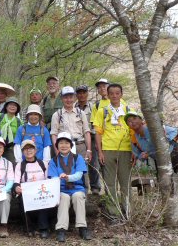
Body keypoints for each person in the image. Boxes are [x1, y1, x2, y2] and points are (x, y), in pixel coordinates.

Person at [93, 83, 132, 219]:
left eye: (117, 93)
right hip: (108, 149)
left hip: (126, 149)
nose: (114, 96)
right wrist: (100, 152)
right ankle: (114, 214)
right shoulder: (102, 111)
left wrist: (134, 150)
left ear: (121, 94)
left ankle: (128, 212)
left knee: (125, 182)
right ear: (108, 95)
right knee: (109, 183)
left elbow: (134, 129)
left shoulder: (128, 109)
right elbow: (98, 132)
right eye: (112, 93)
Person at [48, 132, 91, 242]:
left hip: (77, 187)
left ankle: (82, 227)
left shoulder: (78, 158)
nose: (64, 145)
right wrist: (59, 178)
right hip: (61, 189)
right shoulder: (53, 161)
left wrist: (68, 177)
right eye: (61, 143)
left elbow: (79, 175)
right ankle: (61, 229)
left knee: (78, 197)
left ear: (71, 145)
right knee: (64, 198)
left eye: (66, 143)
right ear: (57, 146)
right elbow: (52, 178)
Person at [50, 86, 92, 184]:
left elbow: (86, 132)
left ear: (74, 98)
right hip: (64, 147)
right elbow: (54, 134)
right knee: (65, 171)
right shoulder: (57, 115)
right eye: (65, 97)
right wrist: (57, 151)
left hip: (80, 146)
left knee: (82, 172)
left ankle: (82, 196)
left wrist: (89, 149)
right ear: (61, 98)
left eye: (70, 97)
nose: (68, 100)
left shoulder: (81, 113)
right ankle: (66, 195)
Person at [13, 140, 51, 238]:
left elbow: (48, 180)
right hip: (27, 193)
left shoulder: (43, 164)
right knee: (21, 200)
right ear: (22, 152)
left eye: (30, 148)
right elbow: (16, 182)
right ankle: (29, 228)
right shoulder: (20, 165)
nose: (28, 151)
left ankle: (43, 228)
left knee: (44, 199)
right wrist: (17, 188)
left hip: (41, 192)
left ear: (35, 150)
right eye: (25, 149)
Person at [75, 85, 101, 194]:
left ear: (87, 94)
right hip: (78, 140)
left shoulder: (92, 107)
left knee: (93, 164)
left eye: (83, 92)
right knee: (80, 164)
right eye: (79, 93)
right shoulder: (73, 107)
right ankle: (81, 188)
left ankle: (95, 187)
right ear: (76, 95)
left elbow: (96, 123)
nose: (81, 95)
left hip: (92, 138)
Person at [0, 98, 22, 164]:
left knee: (11, 166)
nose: (12, 107)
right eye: (10, 104)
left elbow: (21, 135)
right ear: (6, 107)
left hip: (11, 148)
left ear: (17, 108)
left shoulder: (19, 121)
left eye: (15, 105)